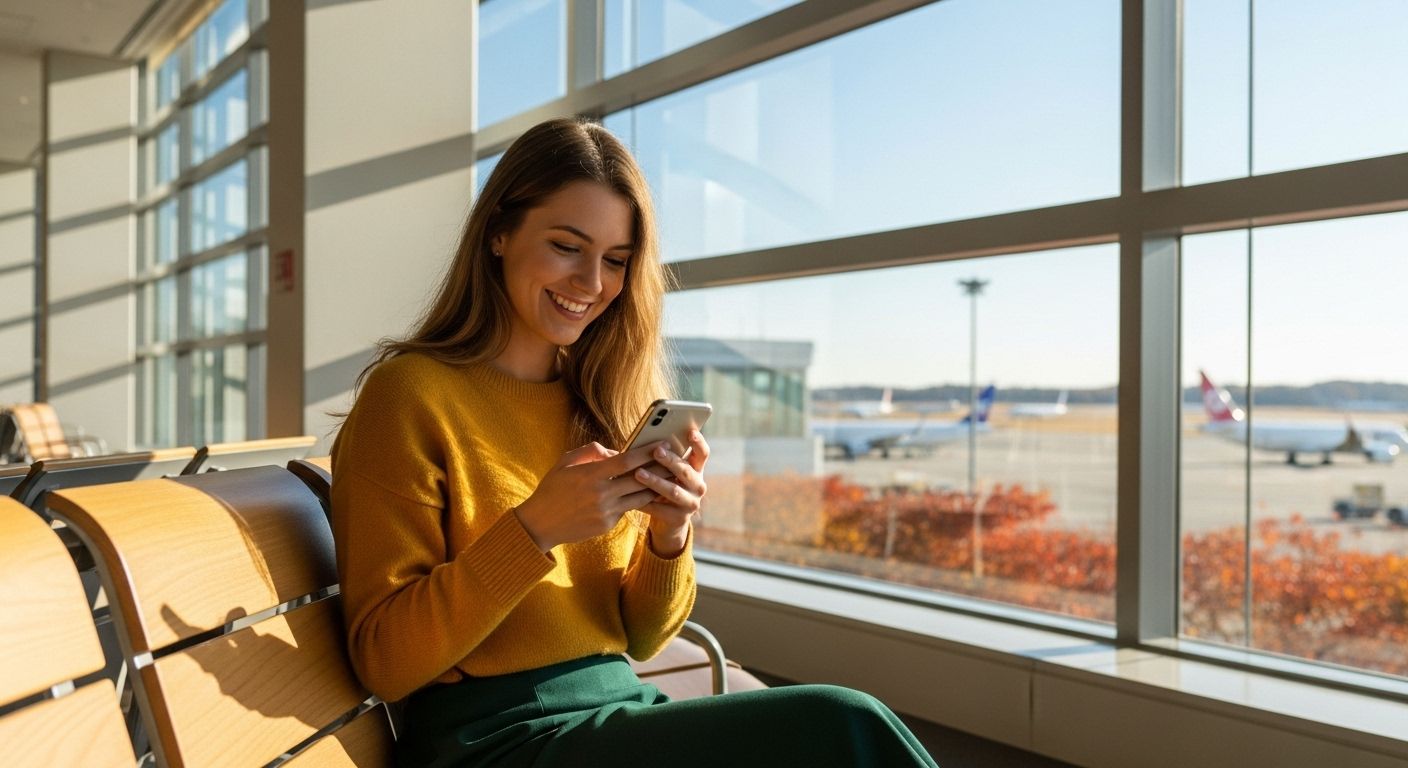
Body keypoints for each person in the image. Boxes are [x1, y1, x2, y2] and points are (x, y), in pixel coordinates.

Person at [330, 117, 940, 768]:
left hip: (613, 709)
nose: (592, 284)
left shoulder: (596, 402)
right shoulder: (411, 395)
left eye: (616, 261)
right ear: (499, 233)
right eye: (567, 246)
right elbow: (386, 663)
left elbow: (644, 637)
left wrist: (669, 535)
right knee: (841, 726)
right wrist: (534, 530)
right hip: (495, 740)